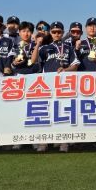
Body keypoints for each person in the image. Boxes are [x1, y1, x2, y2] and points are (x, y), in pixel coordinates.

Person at [30, 21, 80, 153]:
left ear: (62, 33)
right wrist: (38, 44)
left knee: (63, 113)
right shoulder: (45, 48)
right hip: (47, 84)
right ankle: (43, 143)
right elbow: (33, 60)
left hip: (64, 84)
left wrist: (65, 70)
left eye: (59, 32)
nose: (56, 34)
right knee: (46, 113)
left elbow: (75, 65)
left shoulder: (68, 48)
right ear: (51, 33)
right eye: (54, 32)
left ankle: (63, 143)